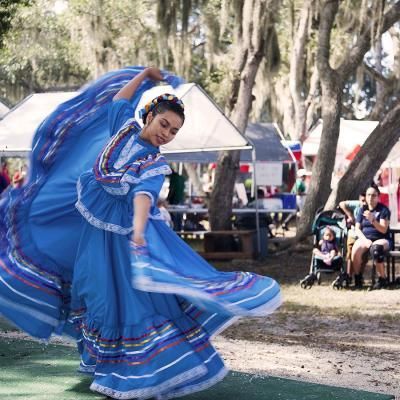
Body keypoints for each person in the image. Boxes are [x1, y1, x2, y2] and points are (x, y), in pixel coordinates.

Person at [0, 66, 281, 399]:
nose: (166, 133)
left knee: (121, 299)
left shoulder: (155, 163)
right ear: (149, 116)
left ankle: (127, 371)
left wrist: (137, 231)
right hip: (95, 234)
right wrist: (146, 75)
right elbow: (121, 99)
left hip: (125, 238)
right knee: (91, 290)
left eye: (174, 131)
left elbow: (143, 195)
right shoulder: (124, 129)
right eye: (164, 124)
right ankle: (100, 361)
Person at [351, 185, 390, 289]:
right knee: (355, 250)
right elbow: (357, 229)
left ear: (378, 197)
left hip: (381, 239)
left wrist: (372, 220)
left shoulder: (383, 210)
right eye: (368, 195)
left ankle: (382, 279)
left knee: (376, 249)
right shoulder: (362, 209)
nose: (370, 198)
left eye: (374, 195)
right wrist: (365, 240)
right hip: (365, 238)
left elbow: (383, 229)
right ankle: (358, 279)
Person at [338, 193, 367, 279]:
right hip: (354, 232)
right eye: (362, 201)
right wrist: (350, 215)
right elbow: (342, 204)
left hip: (364, 234)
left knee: (364, 256)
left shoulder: (371, 208)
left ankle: (359, 276)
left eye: (366, 201)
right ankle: (349, 275)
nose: (364, 203)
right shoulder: (357, 205)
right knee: (350, 254)